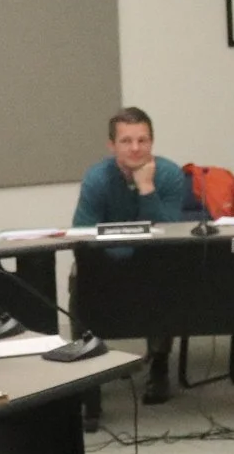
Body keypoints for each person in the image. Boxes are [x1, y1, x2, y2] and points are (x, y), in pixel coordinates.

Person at [75, 107, 191, 403]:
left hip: (155, 263)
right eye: (127, 141)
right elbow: (82, 233)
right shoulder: (97, 178)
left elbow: (171, 232)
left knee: (165, 276)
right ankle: (89, 383)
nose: (136, 148)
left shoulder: (168, 174)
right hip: (108, 262)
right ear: (111, 145)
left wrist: (146, 188)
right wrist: (127, 251)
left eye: (143, 140)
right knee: (81, 282)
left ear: (152, 142)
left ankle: (160, 366)